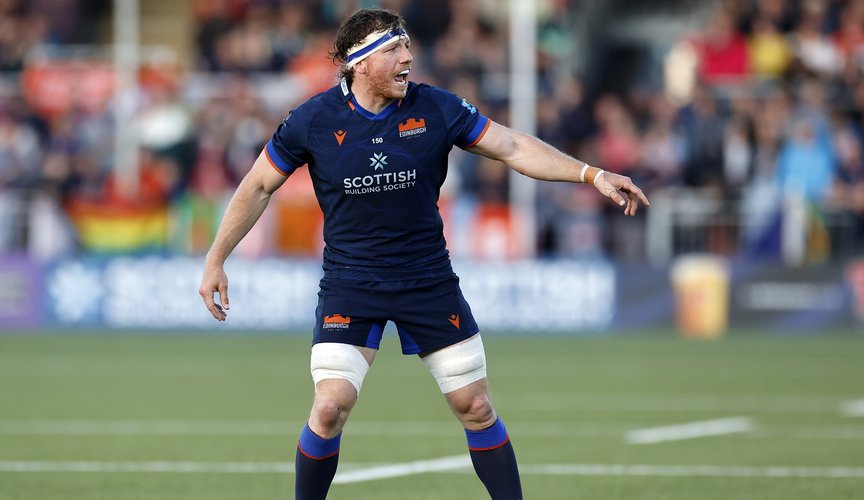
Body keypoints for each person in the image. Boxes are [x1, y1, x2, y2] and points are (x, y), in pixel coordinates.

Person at [198, 8, 649, 499]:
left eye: (408, 46)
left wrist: (591, 174)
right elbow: (258, 185)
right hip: (351, 283)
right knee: (329, 408)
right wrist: (216, 259)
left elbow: (512, 147)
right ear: (359, 63)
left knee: (476, 407)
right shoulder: (312, 120)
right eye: (393, 49)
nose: (408, 57)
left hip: (427, 280)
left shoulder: (435, 107)